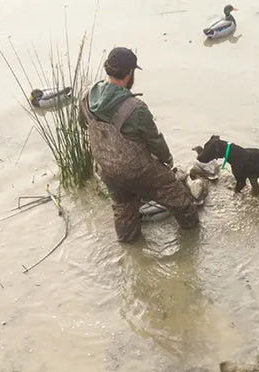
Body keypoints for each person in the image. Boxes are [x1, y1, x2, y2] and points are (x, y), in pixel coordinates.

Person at [80, 47, 199, 243]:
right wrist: (168, 162)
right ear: (130, 73)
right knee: (182, 202)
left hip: (108, 170)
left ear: (108, 69)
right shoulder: (136, 108)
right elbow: (155, 142)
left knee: (123, 209)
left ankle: (130, 251)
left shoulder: (86, 96)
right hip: (138, 171)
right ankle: (192, 242)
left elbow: (84, 124)